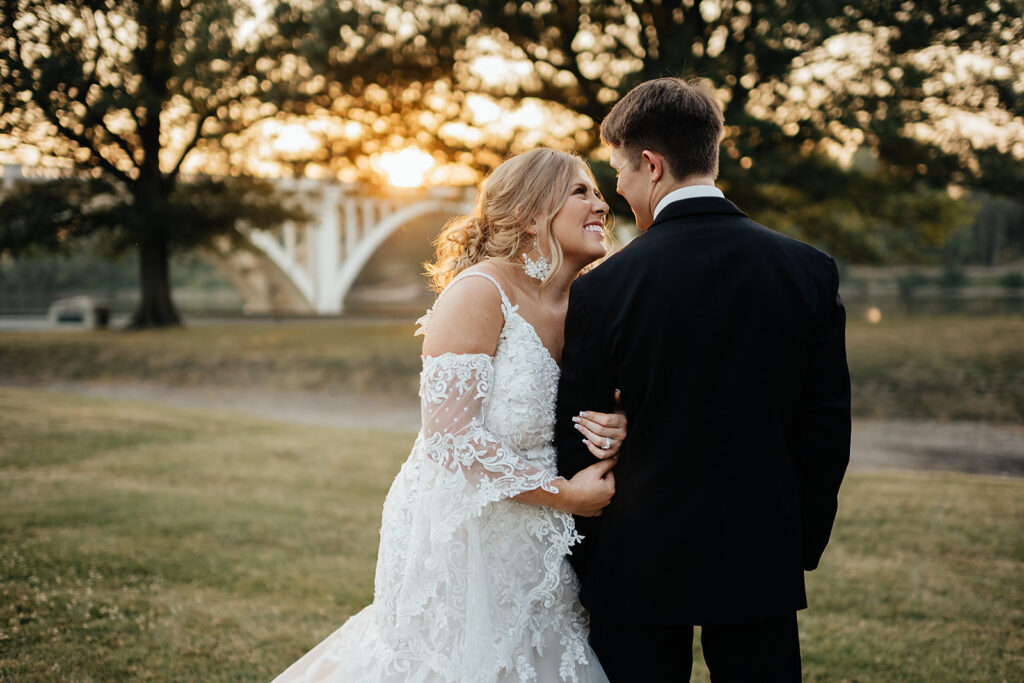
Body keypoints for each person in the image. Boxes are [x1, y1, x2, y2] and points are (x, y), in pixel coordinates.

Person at [274, 148, 623, 682]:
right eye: (581, 191)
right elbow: (451, 438)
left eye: (598, 191)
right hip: (467, 529)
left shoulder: (588, 303)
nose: (601, 204)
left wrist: (616, 424)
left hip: (544, 539)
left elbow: (586, 405)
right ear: (531, 215)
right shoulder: (481, 292)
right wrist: (568, 496)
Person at [555, 77, 851, 681]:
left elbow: (580, 437)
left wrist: (592, 556)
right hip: (760, 551)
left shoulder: (604, 286)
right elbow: (824, 430)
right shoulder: (808, 271)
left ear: (652, 165)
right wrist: (797, 540)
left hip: (636, 556)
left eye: (621, 173)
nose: (620, 191)